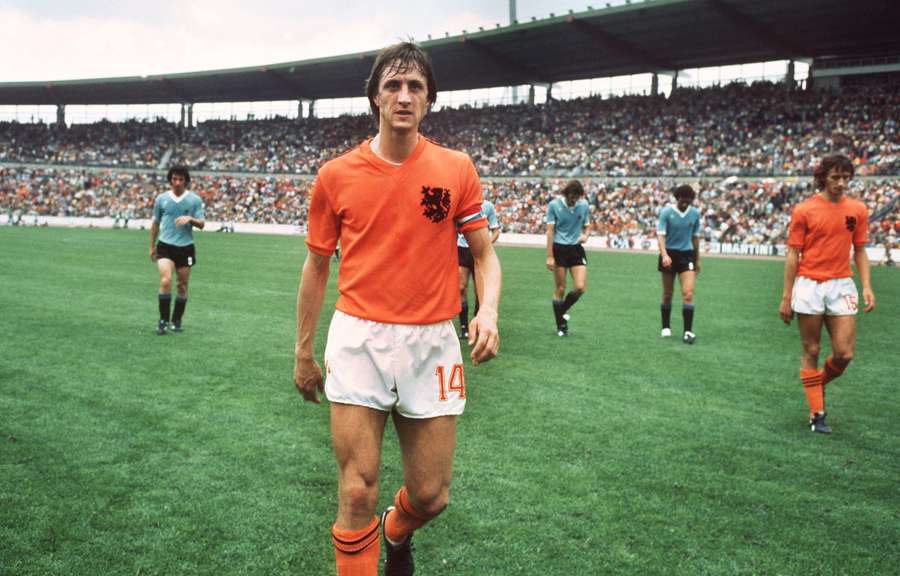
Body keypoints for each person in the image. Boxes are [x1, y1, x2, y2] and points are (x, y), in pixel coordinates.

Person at [293, 42, 501, 576]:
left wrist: (488, 312)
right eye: (393, 85)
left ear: (429, 99)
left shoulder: (456, 169)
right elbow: (317, 266)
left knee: (431, 496)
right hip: (358, 337)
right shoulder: (336, 175)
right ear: (375, 98)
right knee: (357, 489)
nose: (404, 96)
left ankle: (397, 529)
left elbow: (484, 256)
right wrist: (302, 352)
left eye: (415, 87)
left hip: (432, 341)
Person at [779, 154, 875, 434]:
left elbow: (860, 250)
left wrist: (867, 285)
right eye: (835, 177)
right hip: (809, 284)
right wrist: (787, 297)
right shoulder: (804, 210)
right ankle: (816, 412)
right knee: (811, 349)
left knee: (844, 354)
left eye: (846, 177)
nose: (841, 183)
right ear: (823, 178)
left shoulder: (858, 209)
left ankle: (815, 385)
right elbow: (793, 253)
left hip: (842, 284)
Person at [149, 166, 205, 335]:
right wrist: (151, 246)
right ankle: (163, 320)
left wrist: (190, 219)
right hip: (165, 246)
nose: (178, 183)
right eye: (174, 179)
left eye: (181, 179)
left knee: (182, 285)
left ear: (186, 181)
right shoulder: (161, 199)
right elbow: (155, 223)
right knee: (166, 280)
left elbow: (202, 224)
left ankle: (177, 320)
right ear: (170, 180)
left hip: (185, 248)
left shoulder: (194, 200)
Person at [657, 184, 701, 344]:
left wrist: (697, 259)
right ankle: (666, 326)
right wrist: (664, 255)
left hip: (686, 256)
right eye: (682, 199)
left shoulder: (695, 214)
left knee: (688, 294)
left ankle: (688, 332)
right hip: (669, 254)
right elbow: (661, 235)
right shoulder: (666, 212)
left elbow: (695, 238)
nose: (685, 202)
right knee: (668, 294)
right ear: (677, 198)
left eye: (688, 200)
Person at [545, 180, 590, 336]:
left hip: (576, 248)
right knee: (561, 288)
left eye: (577, 197)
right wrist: (550, 256)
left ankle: (561, 309)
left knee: (580, 287)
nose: (574, 200)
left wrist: (586, 235)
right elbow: (550, 231)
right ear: (566, 194)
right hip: (559, 248)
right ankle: (561, 326)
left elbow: (587, 225)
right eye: (572, 196)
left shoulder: (583, 205)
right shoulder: (554, 206)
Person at [457, 198, 500, 339]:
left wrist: (486, 244)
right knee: (461, 287)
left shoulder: (488, 206)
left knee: (479, 293)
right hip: (461, 250)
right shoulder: (460, 203)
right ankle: (463, 327)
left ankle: (478, 324)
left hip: (478, 252)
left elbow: (495, 231)